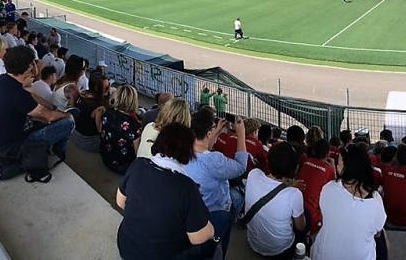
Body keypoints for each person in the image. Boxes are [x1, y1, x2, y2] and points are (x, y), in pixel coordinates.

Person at [116, 123, 215, 260]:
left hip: (127, 249)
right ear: (187, 151)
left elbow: (120, 202)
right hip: (163, 256)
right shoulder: (186, 186)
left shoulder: (138, 164)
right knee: (221, 219)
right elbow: (198, 238)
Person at [0, 46, 75, 162]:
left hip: (2, 140)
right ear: (28, 68)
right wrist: (68, 115)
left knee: (50, 119)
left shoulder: (3, 80)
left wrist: (53, 107)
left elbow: (32, 97)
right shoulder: (17, 94)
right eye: (32, 64)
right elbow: (49, 116)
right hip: (15, 145)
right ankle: (57, 156)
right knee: (68, 123)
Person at [183, 106, 247, 258]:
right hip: (213, 210)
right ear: (208, 133)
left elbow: (204, 146)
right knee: (240, 193)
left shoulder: (182, 150)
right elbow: (241, 167)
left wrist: (216, 131)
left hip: (190, 208)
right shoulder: (214, 160)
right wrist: (241, 135)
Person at [312, 143, 388, 260]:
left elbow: (324, 217)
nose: (337, 165)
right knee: (382, 234)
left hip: (322, 255)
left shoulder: (328, 188)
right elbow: (377, 233)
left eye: (339, 163)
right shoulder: (375, 201)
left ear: (348, 168)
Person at [244, 140, 308, 259]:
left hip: (252, 242)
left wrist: (289, 184)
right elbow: (300, 227)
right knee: (306, 215)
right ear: (293, 169)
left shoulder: (253, 174)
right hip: (278, 251)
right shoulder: (294, 194)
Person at [98, 85, 143, 175]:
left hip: (106, 158)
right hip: (123, 165)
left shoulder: (107, 111)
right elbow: (138, 152)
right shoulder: (134, 126)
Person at [297, 138, 337, 235]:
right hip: (313, 216)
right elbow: (335, 186)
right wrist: (333, 168)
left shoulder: (306, 161)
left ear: (314, 151)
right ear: (328, 154)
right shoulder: (329, 169)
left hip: (297, 205)